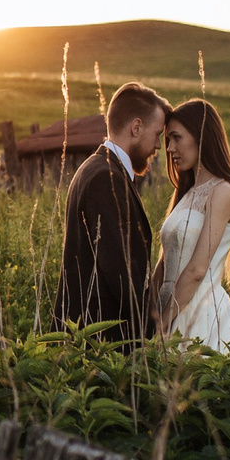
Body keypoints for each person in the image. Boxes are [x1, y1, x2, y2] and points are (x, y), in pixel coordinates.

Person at [59, 82, 168, 340]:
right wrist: (150, 331)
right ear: (137, 127)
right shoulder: (105, 178)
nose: (159, 146)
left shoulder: (96, 167)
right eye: (157, 134)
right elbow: (120, 271)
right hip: (102, 340)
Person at [149, 97, 230, 351]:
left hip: (199, 311)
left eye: (176, 138)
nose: (170, 149)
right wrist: (147, 316)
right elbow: (164, 263)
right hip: (170, 308)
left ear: (201, 136)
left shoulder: (225, 192)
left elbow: (197, 269)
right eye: (167, 140)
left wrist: (162, 324)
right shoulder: (186, 193)